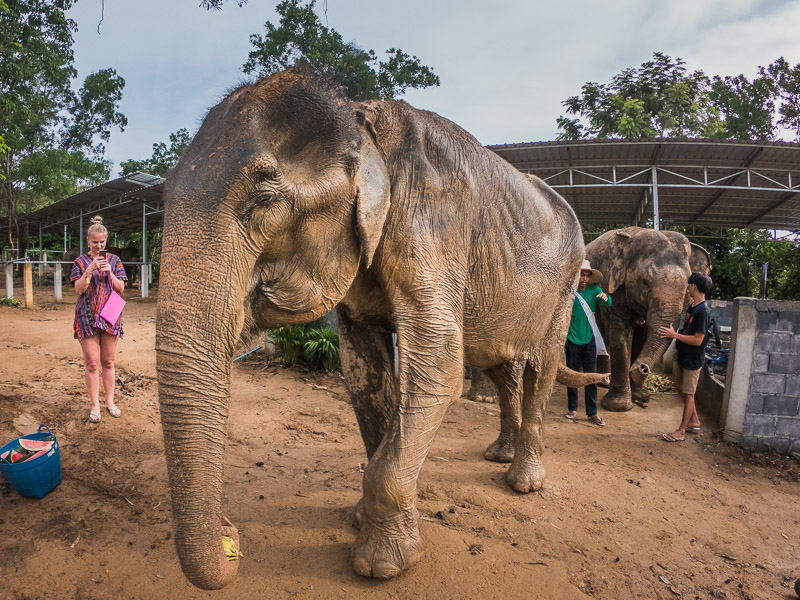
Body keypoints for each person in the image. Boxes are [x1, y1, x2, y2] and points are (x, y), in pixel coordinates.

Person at [70, 216, 127, 423]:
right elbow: (78, 289)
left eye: (102, 242)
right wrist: (90, 269)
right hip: (86, 316)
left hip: (111, 316)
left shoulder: (115, 261)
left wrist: (110, 273)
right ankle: (95, 404)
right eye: (95, 242)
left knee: (108, 362)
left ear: (106, 241)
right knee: (92, 363)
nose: (98, 245)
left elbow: (121, 288)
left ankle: (110, 402)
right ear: (88, 241)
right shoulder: (80, 262)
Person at [657, 272, 713, 442]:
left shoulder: (703, 311)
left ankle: (681, 431)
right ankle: (694, 420)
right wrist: (679, 348)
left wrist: (674, 336)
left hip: (693, 360)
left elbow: (698, 340)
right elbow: (686, 330)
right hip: (684, 356)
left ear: (694, 286)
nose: (688, 288)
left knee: (689, 395)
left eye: (689, 285)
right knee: (679, 386)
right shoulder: (692, 306)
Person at [565, 259, 612, 426]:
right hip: (571, 340)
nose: (583, 278)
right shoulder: (569, 291)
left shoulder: (594, 291)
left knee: (591, 376)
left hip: (589, 341)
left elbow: (609, 302)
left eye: (586, 275)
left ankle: (592, 412)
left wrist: (605, 297)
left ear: (590, 277)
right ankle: (572, 408)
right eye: (581, 274)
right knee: (572, 376)